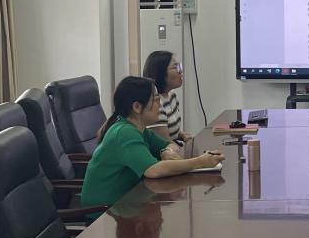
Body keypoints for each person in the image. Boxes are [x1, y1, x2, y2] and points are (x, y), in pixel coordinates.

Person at [81, 76, 223, 208]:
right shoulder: (125, 132)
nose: (160, 105)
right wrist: (200, 161)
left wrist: (166, 151)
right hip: (104, 212)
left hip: (126, 204)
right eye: (155, 100)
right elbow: (153, 171)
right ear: (137, 107)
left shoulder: (139, 129)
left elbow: (170, 145)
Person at [144, 49, 190, 144]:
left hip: (174, 148)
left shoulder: (171, 96)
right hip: (165, 151)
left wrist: (182, 135)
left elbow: (172, 130)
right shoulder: (155, 104)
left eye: (179, 66)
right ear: (160, 73)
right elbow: (164, 143)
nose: (180, 71)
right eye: (175, 67)